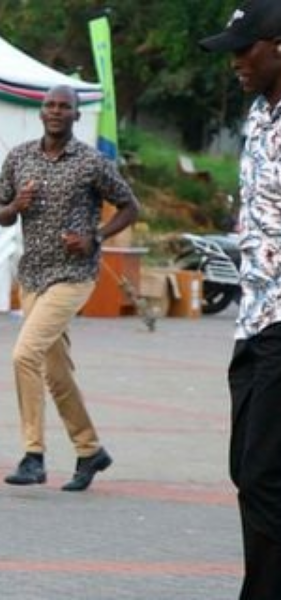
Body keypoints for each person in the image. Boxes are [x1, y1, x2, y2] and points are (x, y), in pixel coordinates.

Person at [0, 84, 139, 492]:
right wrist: (15, 206)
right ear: (41, 112)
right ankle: (90, 450)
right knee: (55, 371)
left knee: (25, 353)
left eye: (64, 107)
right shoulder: (19, 157)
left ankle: (32, 455)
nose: (56, 112)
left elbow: (130, 206)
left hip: (74, 275)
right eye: (50, 106)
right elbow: (0, 212)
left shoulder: (91, 162)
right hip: (33, 274)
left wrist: (96, 236)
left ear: (76, 115)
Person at [201, 3, 281, 597]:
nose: (235, 62)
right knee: (246, 470)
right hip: (253, 318)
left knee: (263, 474)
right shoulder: (258, 116)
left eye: (244, 49)